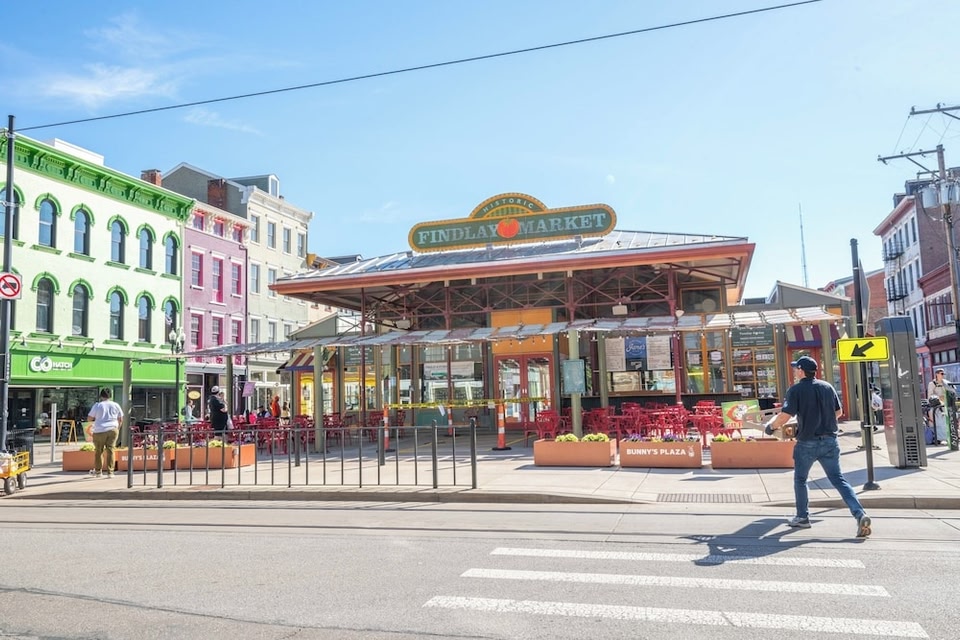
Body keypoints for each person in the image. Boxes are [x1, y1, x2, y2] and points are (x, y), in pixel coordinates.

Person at [764, 356, 872, 538]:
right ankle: (859, 513)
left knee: (800, 479)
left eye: (796, 369)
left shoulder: (795, 390)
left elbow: (785, 416)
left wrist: (770, 427)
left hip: (807, 442)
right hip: (830, 441)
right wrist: (823, 420)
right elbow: (838, 412)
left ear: (801, 371)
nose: (795, 372)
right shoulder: (827, 387)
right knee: (838, 479)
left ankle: (802, 517)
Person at [86, 388, 123, 478]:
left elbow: (89, 418)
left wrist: (97, 419)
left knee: (99, 451)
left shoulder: (98, 405)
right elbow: (121, 418)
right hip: (113, 429)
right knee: (111, 450)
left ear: (101, 396)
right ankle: (110, 472)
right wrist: (117, 428)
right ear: (110, 396)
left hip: (99, 430)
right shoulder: (116, 405)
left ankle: (98, 472)